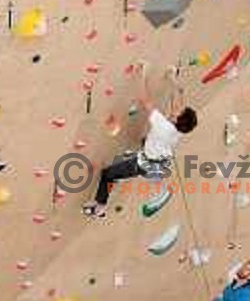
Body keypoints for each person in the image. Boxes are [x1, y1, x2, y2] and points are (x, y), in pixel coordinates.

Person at [83, 65, 198, 218]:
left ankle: (100, 207)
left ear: (177, 119)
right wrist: (172, 79)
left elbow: (145, 101)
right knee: (144, 141)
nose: (177, 108)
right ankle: (133, 163)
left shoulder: (162, 126)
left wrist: (142, 74)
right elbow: (181, 99)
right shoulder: (179, 129)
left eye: (178, 111)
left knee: (107, 174)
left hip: (146, 164)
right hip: (159, 159)